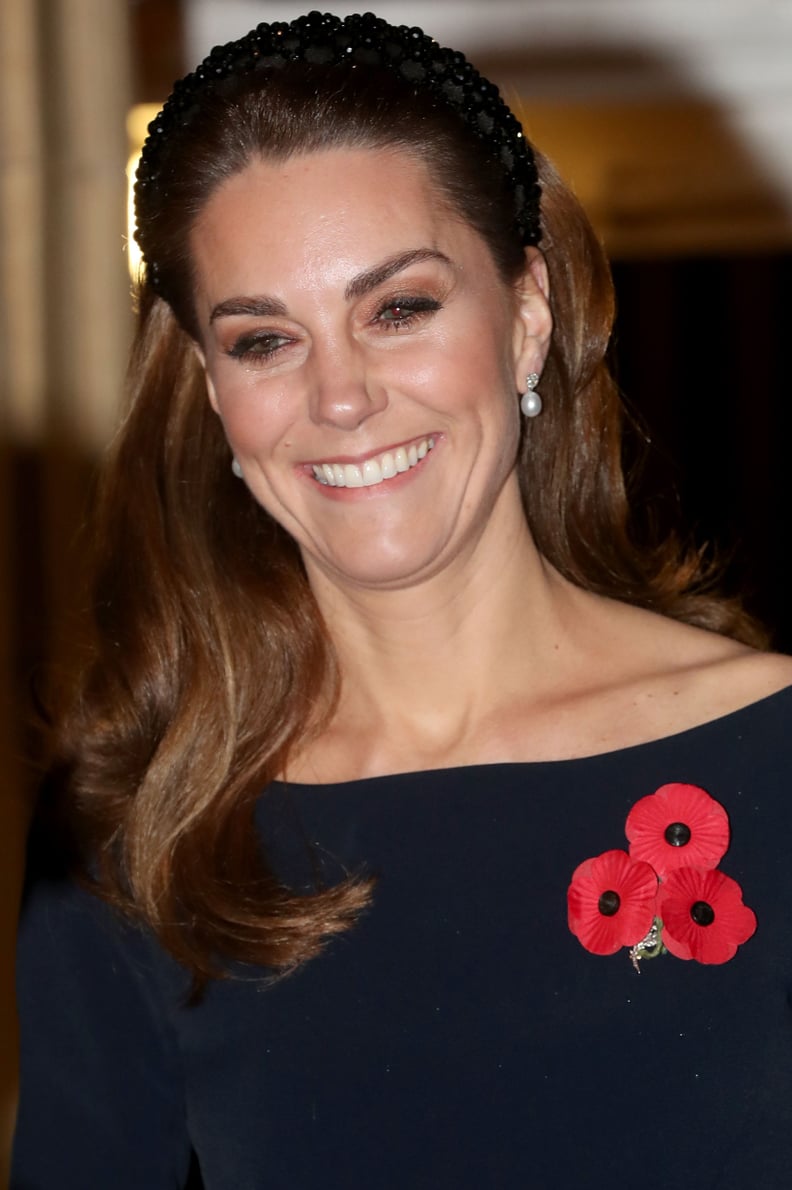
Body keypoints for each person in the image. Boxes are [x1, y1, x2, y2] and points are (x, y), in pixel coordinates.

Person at [12, 10, 792, 1188]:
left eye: (399, 308)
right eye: (265, 339)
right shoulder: (139, 829)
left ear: (528, 317)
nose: (340, 396)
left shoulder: (775, 754)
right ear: (215, 393)